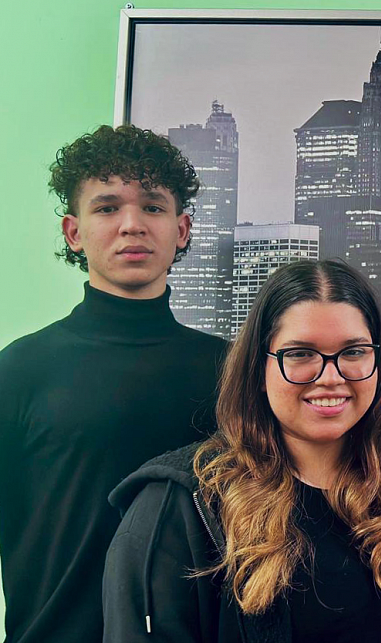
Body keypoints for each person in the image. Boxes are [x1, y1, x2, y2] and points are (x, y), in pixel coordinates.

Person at [102, 259, 381, 642]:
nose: (330, 377)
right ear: (259, 369)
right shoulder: (181, 503)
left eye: (354, 352)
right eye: (301, 354)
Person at [0, 124, 226, 643]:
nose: (132, 225)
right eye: (106, 208)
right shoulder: (20, 370)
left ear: (182, 229)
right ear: (73, 233)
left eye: (152, 206)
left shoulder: (230, 370)